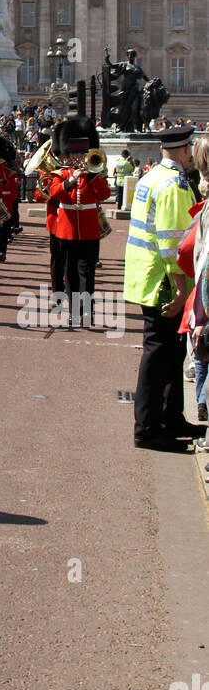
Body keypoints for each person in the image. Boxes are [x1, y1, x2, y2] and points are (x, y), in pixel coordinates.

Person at [124, 126, 198, 450]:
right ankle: (148, 427)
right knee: (159, 352)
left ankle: (170, 417)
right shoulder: (174, 185)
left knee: (171, 349)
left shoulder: (150, 177)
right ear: (184, 150)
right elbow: (173, 244)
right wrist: (181, 290)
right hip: (164, 281)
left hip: (147, 275)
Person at [48, 119, 110, 329]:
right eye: (74, 154)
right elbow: (54, 193)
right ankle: (74, 311)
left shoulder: (95, 174)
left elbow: (105, 193)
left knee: (87, 272)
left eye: (82, 153)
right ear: (67, 154)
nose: (79, 158)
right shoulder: (61, 174)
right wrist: (71, 180)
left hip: (90, 231)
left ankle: (87, 310)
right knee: (71, 273)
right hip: (67, 231)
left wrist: (91, 177)